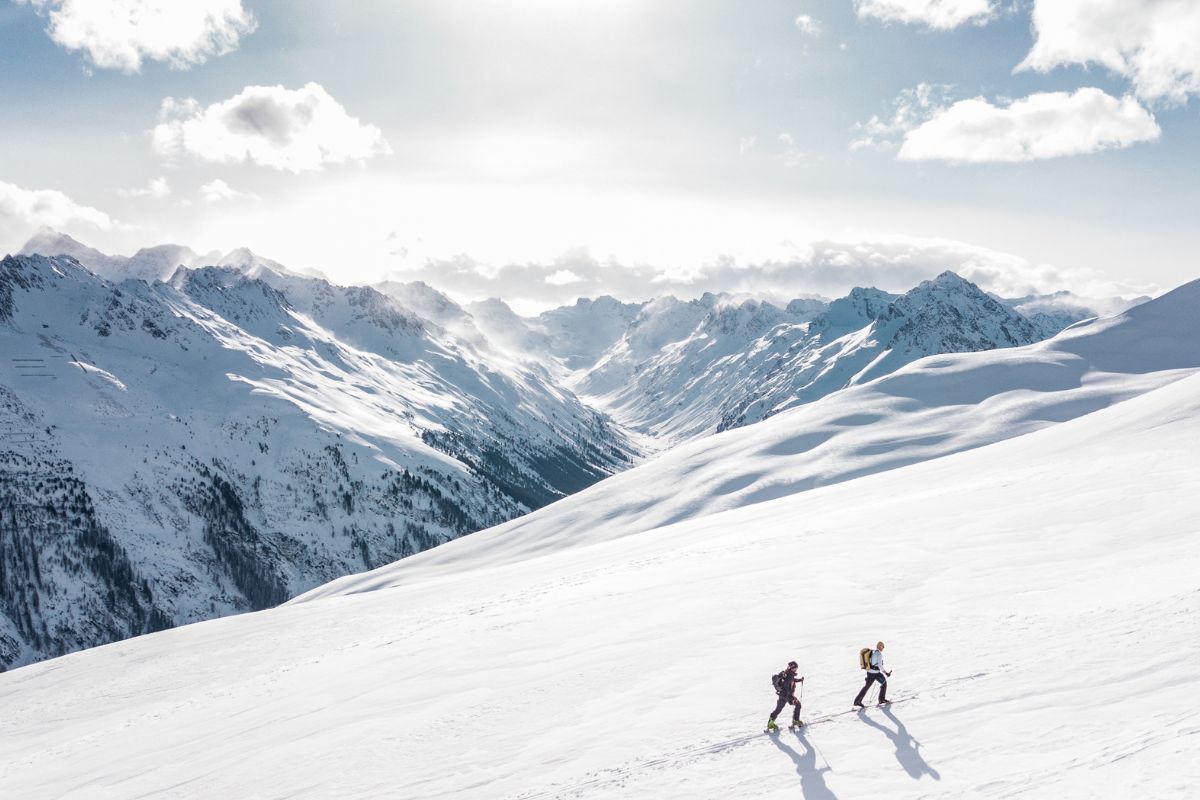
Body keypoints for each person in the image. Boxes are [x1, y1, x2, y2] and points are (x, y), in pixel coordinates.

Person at [767, 660, 805, 731]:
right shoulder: (790, 675)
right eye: (796, 668)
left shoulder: (787, 673)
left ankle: (770, 723)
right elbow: (786, 684)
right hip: (786, 695)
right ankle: (796, 720)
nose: (796, 669)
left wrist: (800, 680)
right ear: (792, 668)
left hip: (782, 695)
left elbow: (792, 680)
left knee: (778, 709)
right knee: (798, 705)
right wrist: (790, 696)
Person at [854, 641, 891, 708]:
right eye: (882, 646)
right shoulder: (879, 654)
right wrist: (886, 673)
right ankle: (881, 700)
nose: (883, 648)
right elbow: (880, 665)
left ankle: (857, 701)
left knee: (866, 687)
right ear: (879, 646)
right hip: (876, 673)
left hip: (869, 673)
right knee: (884, 683)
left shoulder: (872, 652)